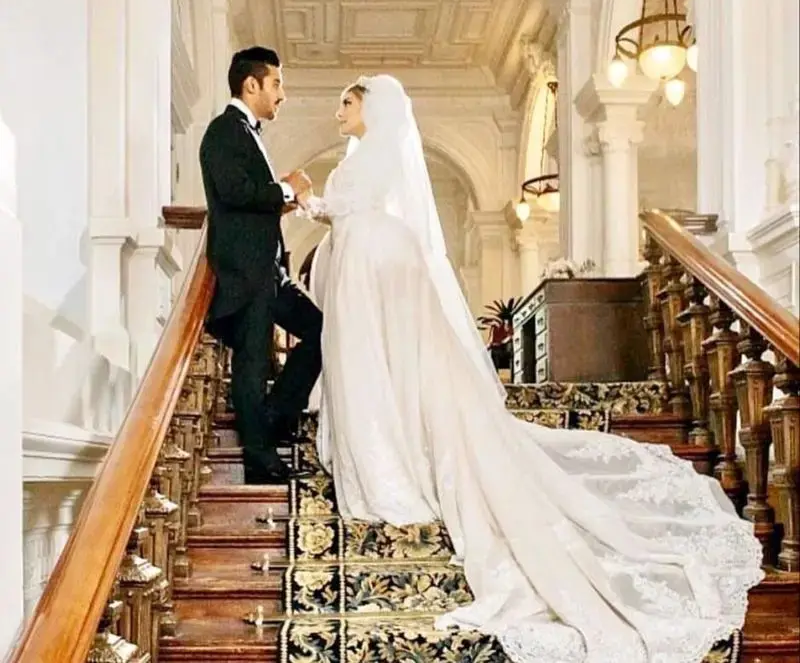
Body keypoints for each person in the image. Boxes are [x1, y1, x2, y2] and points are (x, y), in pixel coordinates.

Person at [296, 74, 764, 663]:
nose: (338, 111)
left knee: (375, 358)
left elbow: (343, 208)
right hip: (379, 256)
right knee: (384, 361)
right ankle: (392, 450)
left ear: (371, 105)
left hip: (371, 259)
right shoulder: (373, 154)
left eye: (346, 101)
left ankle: (389, 463)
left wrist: (303, 196)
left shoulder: (371, 155)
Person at [199, 47, 322, 484]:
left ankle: (274, 418)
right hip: (245, 271)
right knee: (251, 363)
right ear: (251, 84)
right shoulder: (223, 130)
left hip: (270, 272)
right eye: (276, 84)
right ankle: (259, 457)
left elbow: (249, 199)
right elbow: (234, 191)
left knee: (320, 330)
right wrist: (285, 189)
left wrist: (279, 200)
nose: (281, 94)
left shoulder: (247, 133)